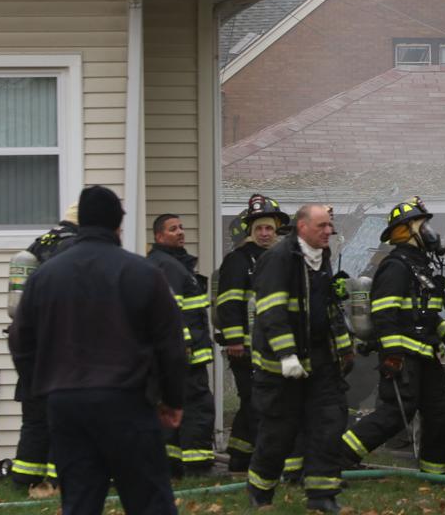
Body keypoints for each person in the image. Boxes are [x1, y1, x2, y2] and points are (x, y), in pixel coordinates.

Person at [8, 185, 185, 515]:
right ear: (118, 223)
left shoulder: (44, 276)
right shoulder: (144, 272)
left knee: (80, 501)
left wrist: (42, 387)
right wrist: (173, 399)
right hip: (127, 402)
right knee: (149, 500)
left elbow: (20, 339)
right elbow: (170, 344)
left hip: (66, 405)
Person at [341, 198, 445, 475]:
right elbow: (385, 314)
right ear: (407, 230)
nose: (430, 231)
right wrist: (393, 354)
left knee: (439, 415)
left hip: (426, 355)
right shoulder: (396, 266)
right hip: (404, 355)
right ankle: (339, 455)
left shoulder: (420, 266)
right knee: (396, 414)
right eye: (424, 225)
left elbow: (426, 315)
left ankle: (434, 475)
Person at [247, 204, 353, 511]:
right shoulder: (278, 259)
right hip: (282, 367)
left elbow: (329, 308)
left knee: (328, 425)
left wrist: (344, 347)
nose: (328, 231)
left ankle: (321, 496)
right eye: (321, 226)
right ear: (302, 227)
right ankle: (259, 490)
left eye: (329, 226)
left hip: (321, 360)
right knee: (279, 432)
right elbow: (271, 312)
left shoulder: (323, 258)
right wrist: (287, 354)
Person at [215, 194, 290, 473]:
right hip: (245, 347)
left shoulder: (280, 258)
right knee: (258, 402)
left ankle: (239, 457)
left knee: (253, 402)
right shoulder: (239, 260)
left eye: (269, 228)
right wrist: (234, 339)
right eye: (258, 228)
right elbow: (229, 301)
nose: (264, 233)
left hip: (271, 346)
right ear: (250, 231)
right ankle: (265, 461)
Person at [8, 202, 79, 489]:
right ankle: (58, 480)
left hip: (32, 344)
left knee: (35, 417)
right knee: (61, 418)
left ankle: (24, 478)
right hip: (59, 345)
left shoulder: (42, 242)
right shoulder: (73, 246)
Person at [148, 214, 215, 477]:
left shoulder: (171, 264)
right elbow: (170, 312)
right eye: (173, 229)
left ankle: (172, 467)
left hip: (178, 356)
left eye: (181, 227)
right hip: (186, 357)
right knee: (198, 408)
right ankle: (198, 468)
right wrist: (184, 348)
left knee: (173, 410)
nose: (180, 232)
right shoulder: (167, 266)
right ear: (159, 236)